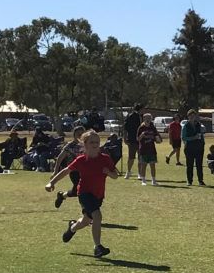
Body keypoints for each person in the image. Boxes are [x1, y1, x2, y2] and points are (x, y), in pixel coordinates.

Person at [46, 129, 119, 258]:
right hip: (84, 193)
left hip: (98, 195)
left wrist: (108, 172)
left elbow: (115, 176)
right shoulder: (80, 160)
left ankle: (72, 228)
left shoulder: (105, 159)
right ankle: (98, 247)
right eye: (92, 142)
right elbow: (66, 171)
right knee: (97, 216)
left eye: (97, 141)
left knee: (86, 221)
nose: (95, 144)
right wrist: (51, 182)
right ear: (85, 144)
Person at [181, 109, 207, 186]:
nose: (192, 117)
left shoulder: (199, 124)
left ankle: (200, 180)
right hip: (189, 148)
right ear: (188, 116)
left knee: (199, 164)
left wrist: (203, 143)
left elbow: (201, 135)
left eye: (193, 115)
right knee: (190, 165)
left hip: (199, 147)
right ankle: (189, 181)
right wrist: (193, 138)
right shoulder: (185, 126)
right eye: (190, 116)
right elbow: (183, 137)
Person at [136, 113, 160, 185]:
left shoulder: (152, 127)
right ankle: (143, 180)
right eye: (146, 118)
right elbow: (137, 139)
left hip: (152, 149)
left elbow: (156, 137)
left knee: (152, 165)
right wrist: (142, 135)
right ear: (144, 119)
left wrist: (158, 139)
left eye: (149, 118)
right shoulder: (141, 128)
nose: (148, 120)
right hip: (143, 149)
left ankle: (153, 180)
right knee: (144, 165)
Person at [121, 105, 144, 178]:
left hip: (138, 140)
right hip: (133, 140)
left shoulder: (142, 117)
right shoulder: (132, 116)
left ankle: (138, 173)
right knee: (132, 157)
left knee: (139, 157)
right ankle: (129, 172)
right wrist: (125, 138)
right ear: (140, 109)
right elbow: (125, 128)